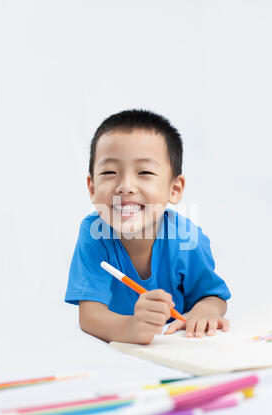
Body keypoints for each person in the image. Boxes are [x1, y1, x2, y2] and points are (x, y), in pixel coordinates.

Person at [65, 109, 231, 344]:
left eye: (144, 172)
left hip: (178, 348)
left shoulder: (186, 237)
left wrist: (205, 311)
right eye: (110, 172)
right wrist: (131, 328)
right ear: (92, 188)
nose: (125, 186)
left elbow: (213, 296)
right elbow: (90, 316)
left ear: (174, 189)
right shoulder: (93, 234)